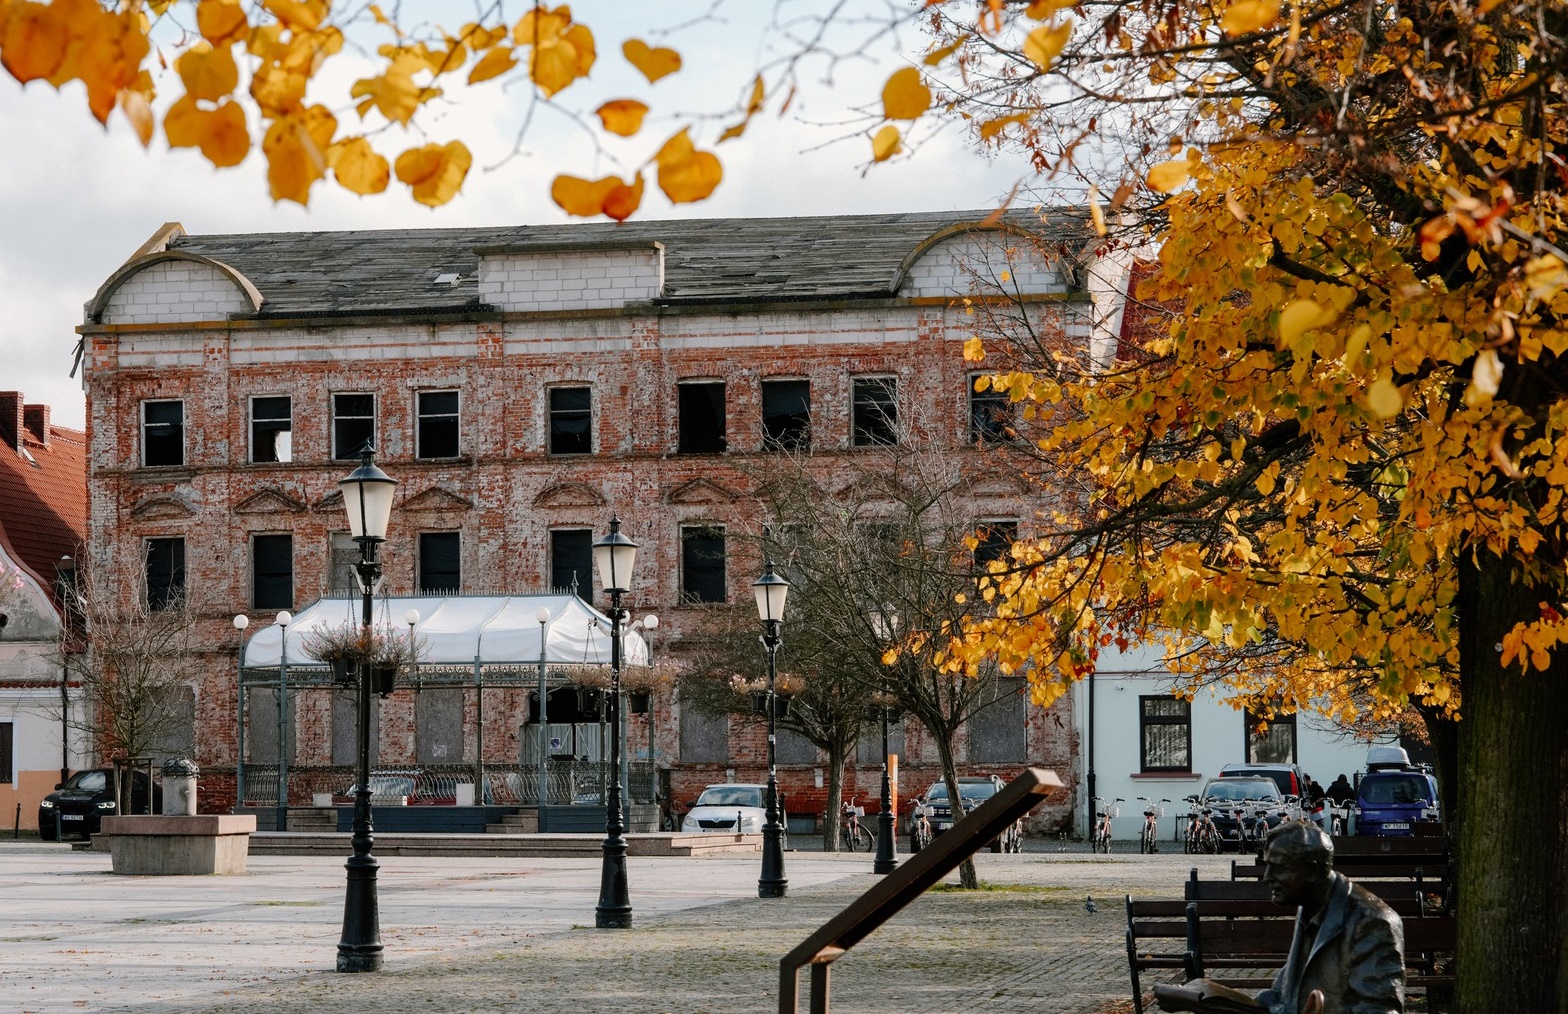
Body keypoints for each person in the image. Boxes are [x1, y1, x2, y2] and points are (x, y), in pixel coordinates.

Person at [1157, 823, 1404, 1014]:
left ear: (1313, 870)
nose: (1267, 877)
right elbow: (1284, 996)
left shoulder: (1372, 922)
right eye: (1267, 866)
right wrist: (1225, 1004)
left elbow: (1380, 1010)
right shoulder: (1309, 905)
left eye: (1279, 868)